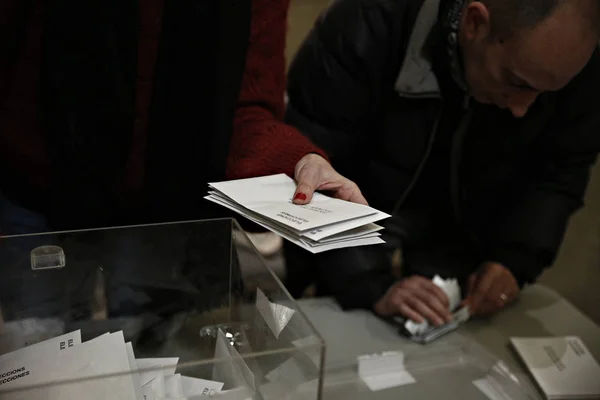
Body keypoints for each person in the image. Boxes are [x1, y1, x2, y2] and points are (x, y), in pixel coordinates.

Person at [281, 0, 600, 324]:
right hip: (353, 242)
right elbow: (312, 165)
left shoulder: (571, 62)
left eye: (546, 93)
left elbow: (560, 168)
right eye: (517, 82)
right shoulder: (367, 24)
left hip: (461, 256)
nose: (522, 109)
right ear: (474, 23)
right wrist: (367, 282)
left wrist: (515, 260)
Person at [0, 0, 327, 234]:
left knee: (157, 329)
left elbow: (246, 106)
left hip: (168, 210)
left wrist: (296, 159)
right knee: (41, 328)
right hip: (39, 189)